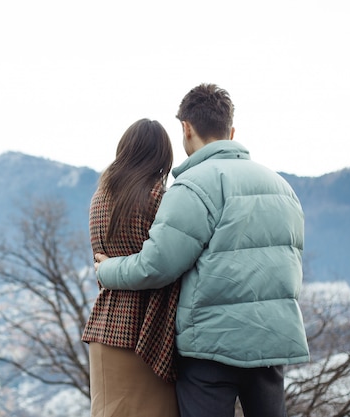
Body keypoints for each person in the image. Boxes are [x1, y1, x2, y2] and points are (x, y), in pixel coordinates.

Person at [94, 84, 310, 417]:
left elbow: (157, 266)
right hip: (272, 343)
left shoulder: (193, 185)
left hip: (211, 348)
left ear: (186, 128)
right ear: (231, 131)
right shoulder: (282, 188)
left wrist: (106, 270)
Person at [83, 118, 181, 417]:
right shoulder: (158, 198)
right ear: (162, 156)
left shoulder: (100, 196)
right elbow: (167, 263)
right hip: (146, 333)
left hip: (103, 326)